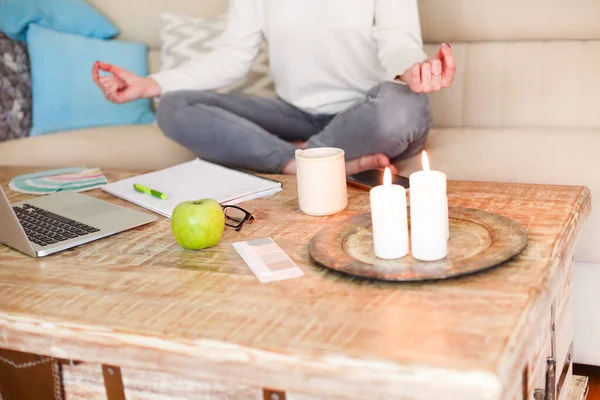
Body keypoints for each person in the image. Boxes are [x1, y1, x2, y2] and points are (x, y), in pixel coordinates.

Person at [92, 0, 456, 175]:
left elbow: (397, 39)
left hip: (364, 114)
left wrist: (414, 70)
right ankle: (299, 162)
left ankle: (301, 155)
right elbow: (232, 57)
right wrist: (149, 85)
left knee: (404, 108)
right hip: (293, 115)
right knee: (173, 107)